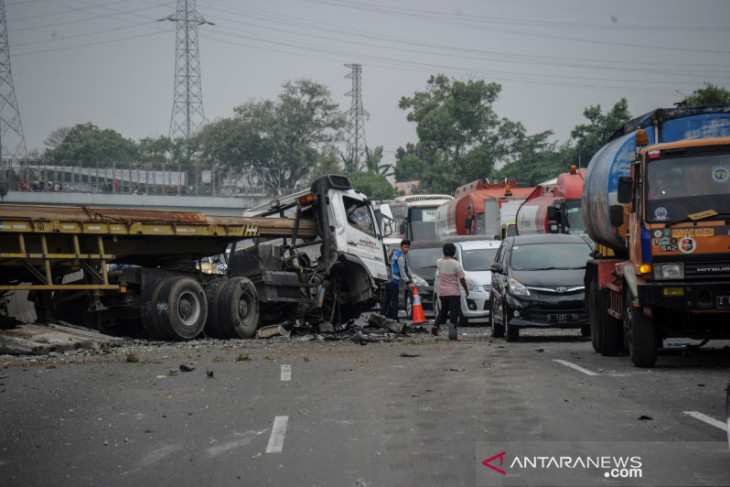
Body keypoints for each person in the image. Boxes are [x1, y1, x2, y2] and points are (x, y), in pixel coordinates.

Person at [432, 242, 469, 341]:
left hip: (442, 292)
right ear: (454, 252)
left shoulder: (439, 262)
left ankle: (436, 325)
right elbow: (461, 279)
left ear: (444, 252)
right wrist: (466, 289)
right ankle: (452, 335)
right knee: (454, 313)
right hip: (453, 292)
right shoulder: (456, 264)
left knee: (443, 310)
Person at [380, 239, 414, 321]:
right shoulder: (401, 257)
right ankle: (395, 318)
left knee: (387, 300)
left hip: (388, 280)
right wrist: (409, 282)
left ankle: (382, 315)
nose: (406, 249)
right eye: (405, 247)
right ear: (401, 247)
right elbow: (402, 273)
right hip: (394, 281)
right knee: (395, 300)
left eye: (408, 247)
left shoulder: (396, 254)